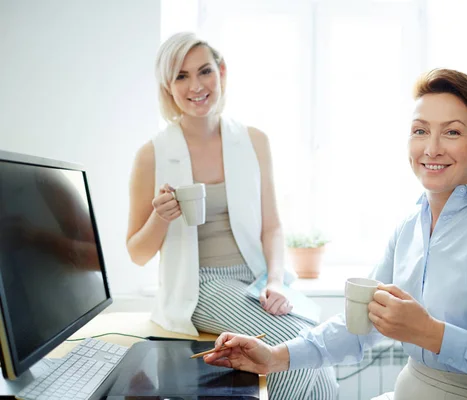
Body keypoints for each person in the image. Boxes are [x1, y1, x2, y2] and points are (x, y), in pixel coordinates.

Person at [203, 69, 467, 400]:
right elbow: (359, 325)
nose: (432, 148)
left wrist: (433, 334)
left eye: (452, 132)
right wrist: (274, 357)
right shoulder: (410, 227)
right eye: (420, 131)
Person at [125, 32, 337, 399]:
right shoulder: (151, 155)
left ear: (221, 71)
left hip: (254, 278)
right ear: (167, 87)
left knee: (318, 350)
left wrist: (275, 281)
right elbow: (137, 253)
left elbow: (271, 227)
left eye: (204, 71)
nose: (196, 86)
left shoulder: (254, 141)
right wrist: (160, 218)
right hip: (200, 285)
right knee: (291, 348)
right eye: (181, 76)